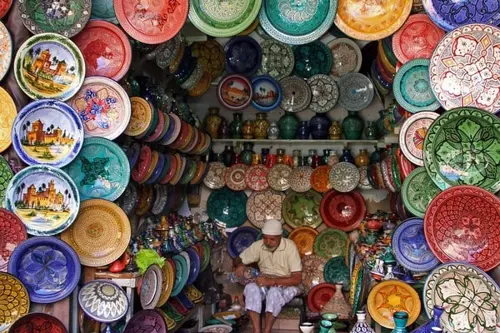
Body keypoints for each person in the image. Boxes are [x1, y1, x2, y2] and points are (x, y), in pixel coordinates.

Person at [233, 219, 302, 333]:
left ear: (280, 236)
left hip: (287, 282)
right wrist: (239, 265)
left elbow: (297, 278)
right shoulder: (259, 245)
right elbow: (238, 259)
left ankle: (267, 330)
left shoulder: (290, 247)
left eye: (272, 239)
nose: (267, 242)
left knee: (274, 293)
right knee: (251, 288)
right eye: (265, 238)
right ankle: (256, 330)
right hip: (264, 281)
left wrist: (271, 282)